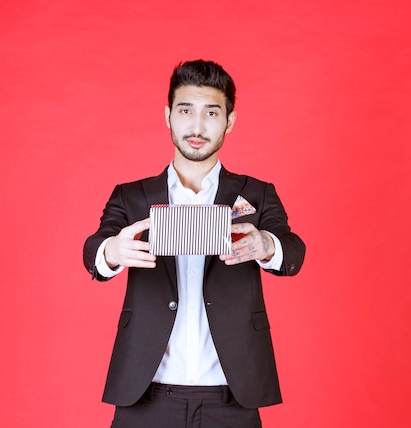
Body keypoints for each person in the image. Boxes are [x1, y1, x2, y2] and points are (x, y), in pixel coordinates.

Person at [83, 59, 306, 428]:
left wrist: (267, 244)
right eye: (186, 110)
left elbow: (293, 248)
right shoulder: (131, 196)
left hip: (232, 395)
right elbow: (95, 247)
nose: (197, 126)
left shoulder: (257, 194)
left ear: (229, 122)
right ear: (168, 115)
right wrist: (112, 251)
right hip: (146, 394)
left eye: (212, 113)